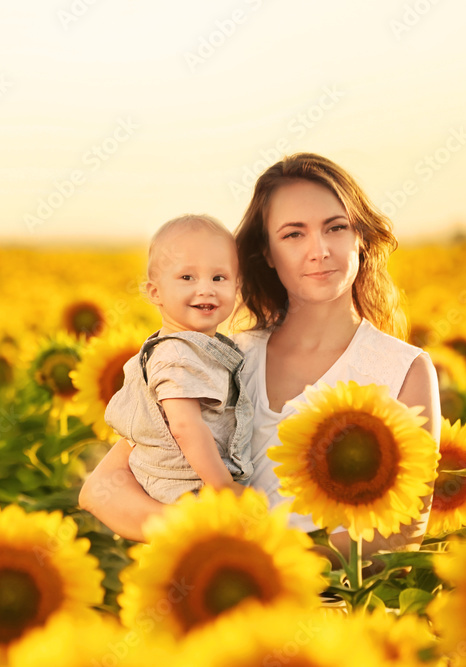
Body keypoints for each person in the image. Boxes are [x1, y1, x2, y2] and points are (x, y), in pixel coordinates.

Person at [78, 153, 441, 560]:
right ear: (266, 252)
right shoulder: (227, 356)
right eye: (293, 234)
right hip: (218, 596)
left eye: (335, 228)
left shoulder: (402, 369)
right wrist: (206, 537)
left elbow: (400, 537)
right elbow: (103, 488)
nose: (319, 250)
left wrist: (272, 561)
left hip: (336, 614)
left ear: (360, 237)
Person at [103, 215, 253, 505]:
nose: (205, 288)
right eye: (187, 277)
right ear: (155, 292)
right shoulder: (177, 356)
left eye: (218, 277)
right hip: (186, 487)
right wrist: (223, 487)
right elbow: (186, 428)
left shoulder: (198, 346)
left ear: (236, 287)